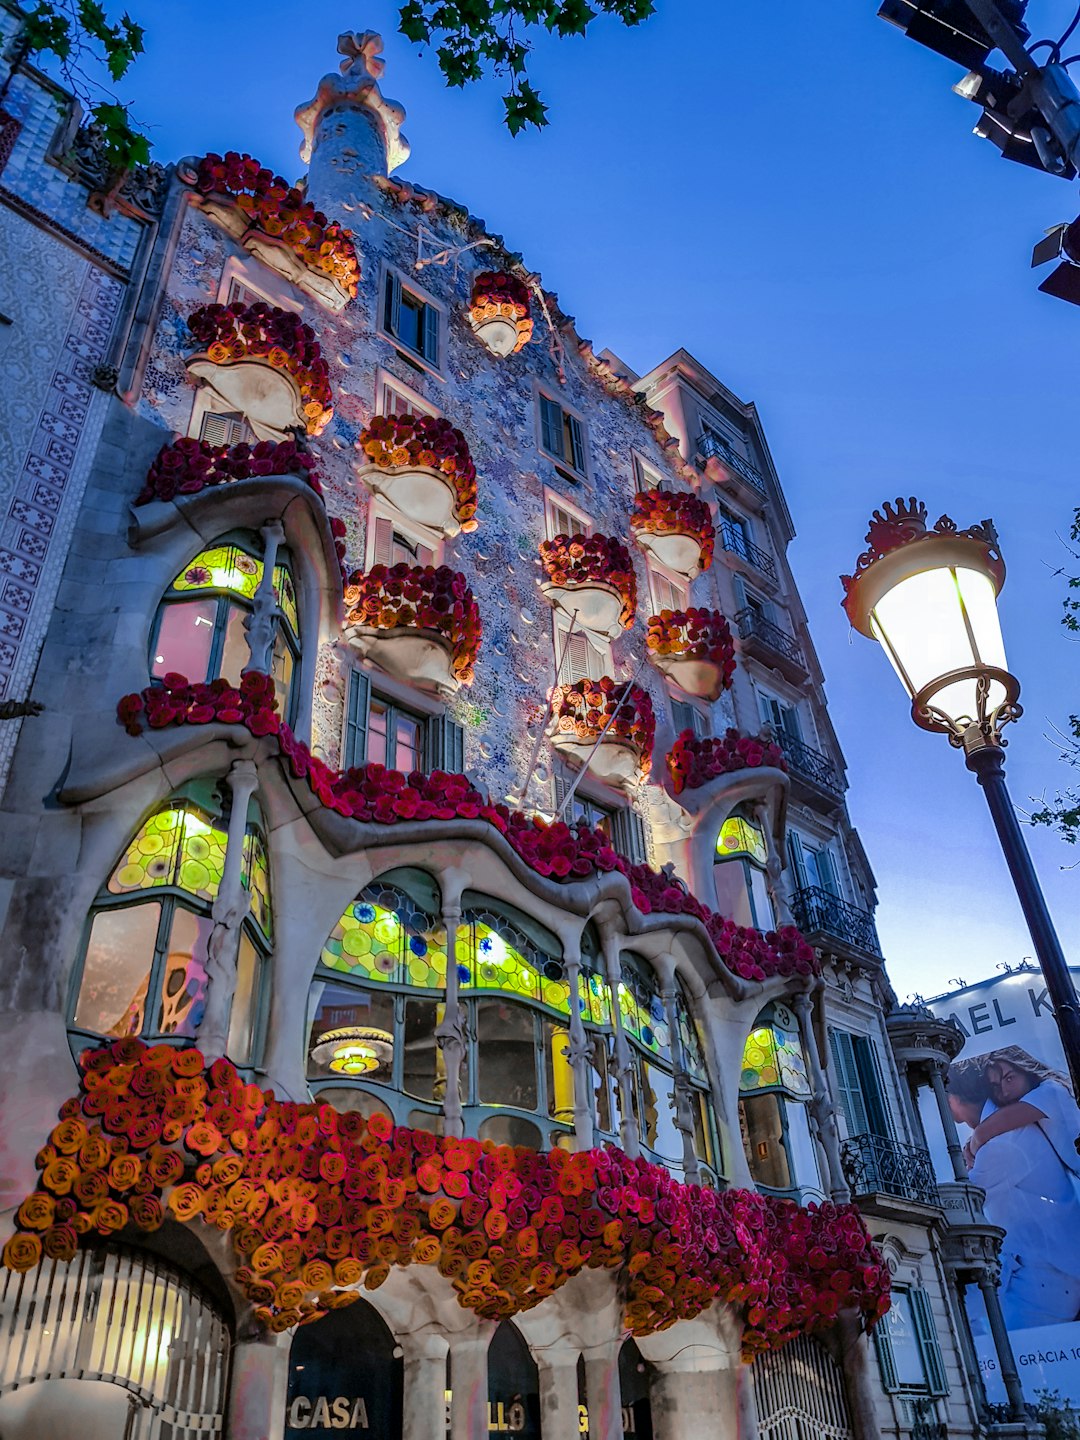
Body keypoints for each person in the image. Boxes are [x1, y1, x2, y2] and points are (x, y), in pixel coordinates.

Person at [946, 1051, 1080, 1330]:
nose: (1004, 1091)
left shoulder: (1050, 1093)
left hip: (1052, 1276)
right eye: (995, 1085)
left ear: (1027, 1070)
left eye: (1009, 1078)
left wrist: (975, 1142)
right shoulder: (1019, 1121)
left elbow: (971, 1199)